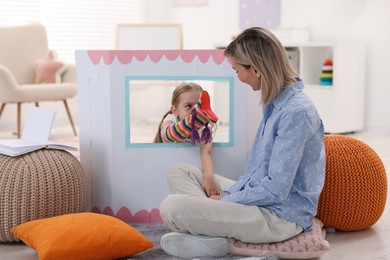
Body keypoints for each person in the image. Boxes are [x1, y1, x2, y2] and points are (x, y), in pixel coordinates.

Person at [159, 27, 326, 259]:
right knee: (180, 171)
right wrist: (226, 197)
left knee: (171, 207)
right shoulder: (277, 103)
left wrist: (226, 200)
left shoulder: (295, 112)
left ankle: (213, 233)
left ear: (255, 70)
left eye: (237, 70)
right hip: (257, 198)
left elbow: (275, 190)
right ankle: (211, 228)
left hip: (278, 217)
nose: (237, 76)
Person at [153, 82, 221, 197]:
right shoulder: (170, 119)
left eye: (198, 107)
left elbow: (206, 152)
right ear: (175, 110)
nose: (194, 112)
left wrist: (209, 178)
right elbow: (167, 136)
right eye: (189, 106)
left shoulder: (204, 128)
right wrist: (192, 121)